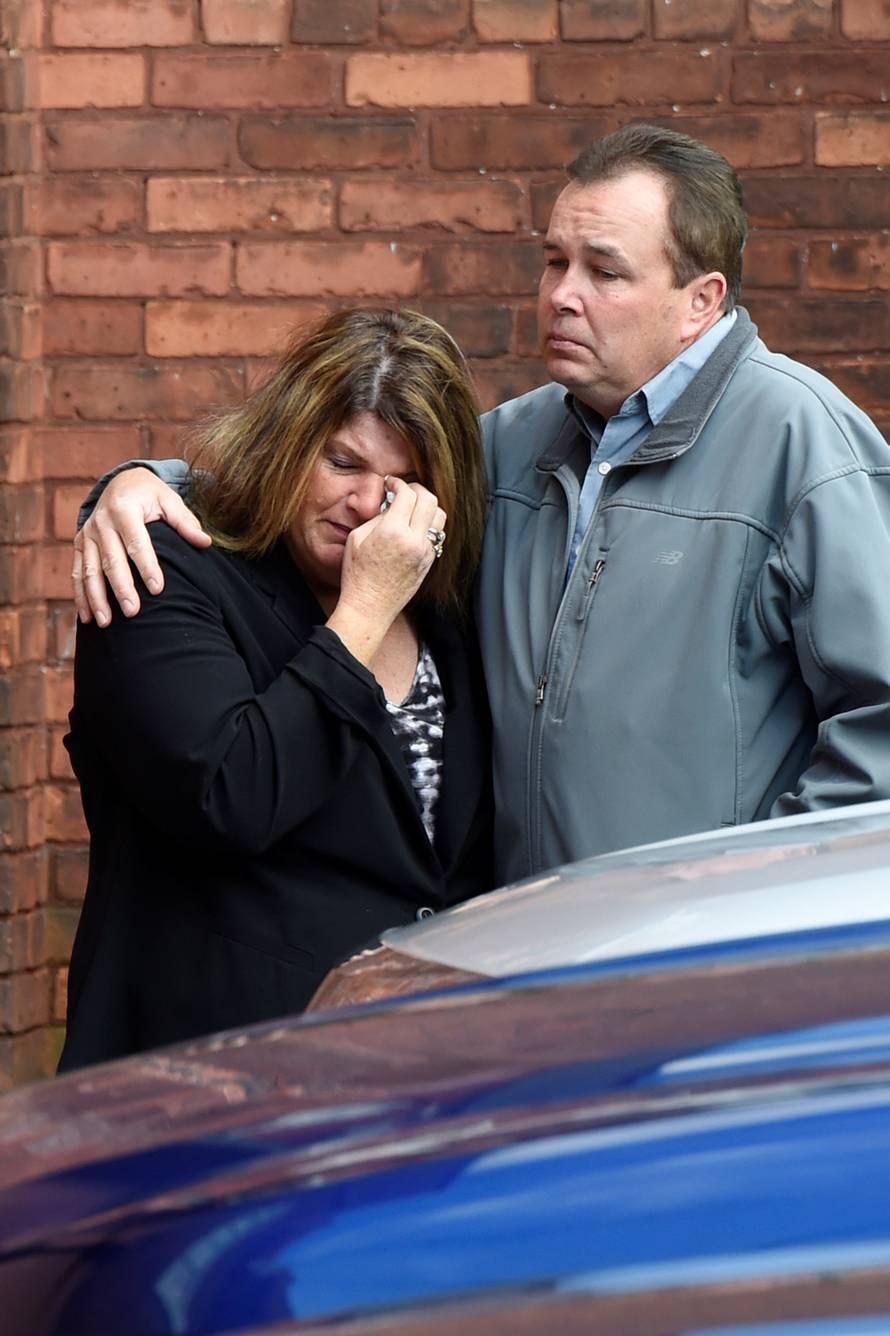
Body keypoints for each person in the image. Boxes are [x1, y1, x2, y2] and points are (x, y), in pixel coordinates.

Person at [73, 123, 890, 891]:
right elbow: (307, 473)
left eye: (604, 272)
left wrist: (752, 893)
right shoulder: (512, 442)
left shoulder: (807, 447)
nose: (562, 295)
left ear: (701, 301)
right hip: (520, 949)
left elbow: (880, 730)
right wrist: (142, 484)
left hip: (702, 954)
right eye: (554, 261)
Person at [59, 307, 493, 1071]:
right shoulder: (165, 571)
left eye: (403, 485)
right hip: (215, 1073)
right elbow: (229, 796)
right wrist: (364, 610)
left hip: (409, 1073)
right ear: (289, 443)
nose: (368, 505)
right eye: (344, 464)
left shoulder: (443, 609)